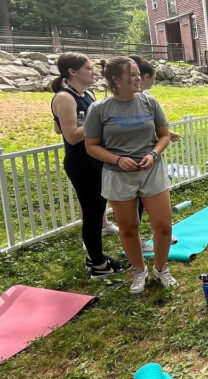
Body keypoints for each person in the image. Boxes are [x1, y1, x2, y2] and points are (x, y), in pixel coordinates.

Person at [84, 56, 177, 294]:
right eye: (133, 74)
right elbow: (91, 145)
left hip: (151, 170)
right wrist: (117, 159)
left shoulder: (149, 102)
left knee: (164, 225)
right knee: (128, 228)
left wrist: (154, 155)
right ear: (116, 79)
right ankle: (139, 271)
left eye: (138, 74)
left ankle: (161, 268)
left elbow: (164, 135)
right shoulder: (100, 109)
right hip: (118, 175)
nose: (138, 78)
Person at [50, 52, 124, 278]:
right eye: (88, 69)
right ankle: (99, 267)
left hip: (96, 158)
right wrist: (105, 123)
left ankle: (95, 257)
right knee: (92, 214)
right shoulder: (64, 97)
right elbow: (70, 135)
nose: (93, 73)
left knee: (98, 210)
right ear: (72, 72)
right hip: (80, 162)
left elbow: (60, 127)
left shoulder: (88, 94)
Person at [129, 55, 180, 254]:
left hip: (150, 161)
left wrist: (160, 142)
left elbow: (158, 130)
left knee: (155, 202)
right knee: (136, 205)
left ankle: (160, 233)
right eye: (133, 76)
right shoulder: (108, 106)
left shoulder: (149, 101)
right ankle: (139, 242)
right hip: (128, 165)